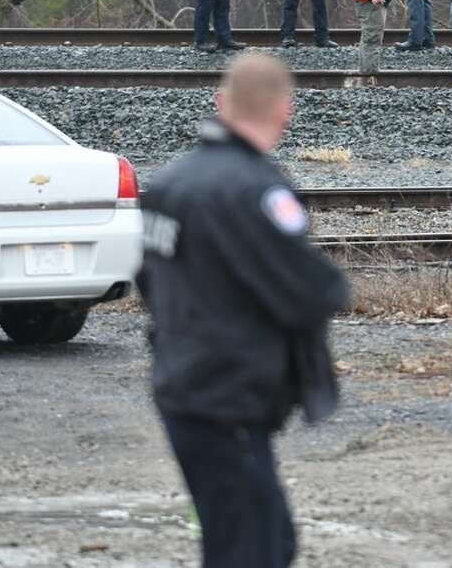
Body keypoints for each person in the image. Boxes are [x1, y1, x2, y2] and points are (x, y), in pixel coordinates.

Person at [137, 53, 350, 568]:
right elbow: (311, 291)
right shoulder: (255, 191)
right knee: (254, 550)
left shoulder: (168, 185)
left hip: (184, 387)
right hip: (227, 397)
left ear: (221, 103)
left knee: (256, 541)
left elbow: (148, 281)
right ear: (284, 111)